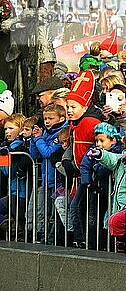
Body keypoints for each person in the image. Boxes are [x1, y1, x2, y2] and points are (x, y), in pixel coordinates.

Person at [65, 70, 103, 248]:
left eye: (73, 107)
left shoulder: (89, 122)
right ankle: (82, 240)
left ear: (85, 106)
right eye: (68, 107)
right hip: (80, 174)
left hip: (89, 175)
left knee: (86, 210)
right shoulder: (76, 123)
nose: (69, 111)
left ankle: (87, 241)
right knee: (79, 208)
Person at [29, 104, 68, 242]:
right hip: (47, 179)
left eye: (51, 118)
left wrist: (39, 139)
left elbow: (47, 153)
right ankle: (45, 239)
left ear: (61, 118)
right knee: (44, 212)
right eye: (45, 118)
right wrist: (35, 139)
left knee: (53, 214)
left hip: (57, 180)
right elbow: (35, 155)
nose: (46, 121)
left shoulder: (62, 133)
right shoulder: (45, 132)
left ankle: (52, 241)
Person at [0, 113, 28, 240]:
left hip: (21, 191)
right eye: (6, 129)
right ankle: (7, 223)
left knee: (20, 218)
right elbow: (6, 171)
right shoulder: (6, 146)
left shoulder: (18, 145)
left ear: (21, 129)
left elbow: (10, 170)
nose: (7, 132)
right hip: (13, 190)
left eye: (11, 128)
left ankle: (18, 233)